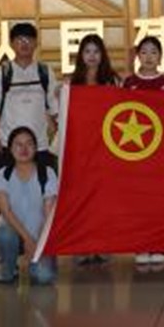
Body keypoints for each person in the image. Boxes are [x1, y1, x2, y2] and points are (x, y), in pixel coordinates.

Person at [0, 21, 59, 263]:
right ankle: (1, 247)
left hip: (41, 147)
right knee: (5, 197)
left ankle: (43, 241)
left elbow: (55, 110)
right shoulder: (2, 73)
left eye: (29, 39)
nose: (24, 43)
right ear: (11, 43)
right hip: (9, 147)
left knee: (45, 197)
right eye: (19, 39)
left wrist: (62, 133)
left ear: (36, 43)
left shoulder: (45, 72)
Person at [123, 36, 164, 267]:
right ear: (138, 56)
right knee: (138, 201)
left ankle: (161, 245)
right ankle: (141, 245)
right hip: (136, 152)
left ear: (160, 57)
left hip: (162, 153)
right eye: (144, 52)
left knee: (161, 201)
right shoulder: (129, 83)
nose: (148, 56)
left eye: (153, 52)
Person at [67, 33, 119, 265]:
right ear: (81, 56)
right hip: (80, 151)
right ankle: (82, 246)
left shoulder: (112, 81)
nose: (92, 56)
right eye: (87, 51)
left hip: (106, 150)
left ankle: (102, 245)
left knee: (104, 201)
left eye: (96, 51)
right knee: (82, 200)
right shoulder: (72, 83)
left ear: (102, 55)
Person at [0, 126, 60, 286]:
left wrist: (38, 245)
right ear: (10, 149)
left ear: (35, 148)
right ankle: (8, 270)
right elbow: (6, 212)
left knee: (44, 278)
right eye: (18, 144)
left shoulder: (47, 173)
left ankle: (36, 263)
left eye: (29, 144)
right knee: (4, 235)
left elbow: (49, 214)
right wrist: (28, 240)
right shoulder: (2, 175)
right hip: (14, 235)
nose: (24, 149)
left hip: (41, 237)